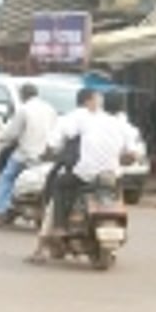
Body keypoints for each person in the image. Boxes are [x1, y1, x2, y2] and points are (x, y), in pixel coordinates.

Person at [40, 89, 137, 247]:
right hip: (112, 175)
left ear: (102, 103)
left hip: (86, 173)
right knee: (118, 193)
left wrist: (50, 149)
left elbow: (64, 135)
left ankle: (60, 226)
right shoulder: (125, 126)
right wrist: (121, 158)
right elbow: (132, 154)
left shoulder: (87, 118)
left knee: (60, 184)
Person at [0, 83, 57, 228]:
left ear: (23, 95)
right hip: (43, 156)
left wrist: (1, 139)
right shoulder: (50, 109)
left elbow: (12, 133)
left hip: (24, 154)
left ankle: (1, 211)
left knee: (6, 178)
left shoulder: (24, 110)